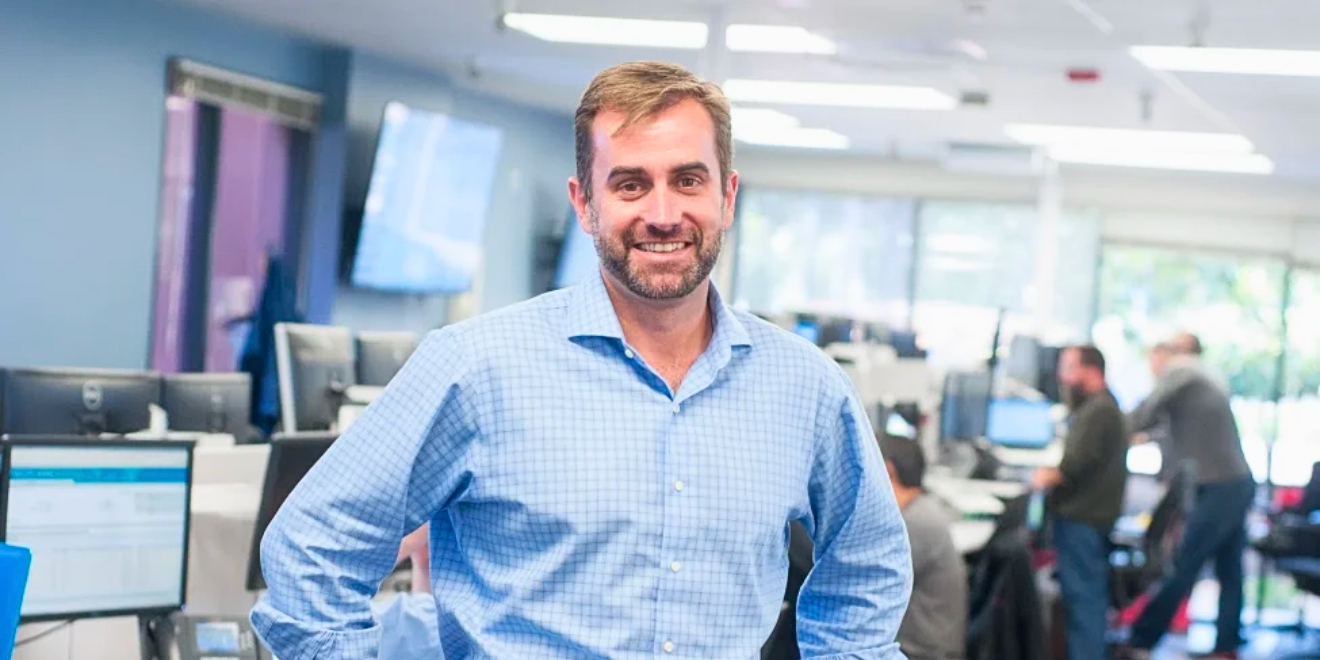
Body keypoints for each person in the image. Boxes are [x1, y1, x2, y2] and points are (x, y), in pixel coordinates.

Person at [250, 61, 913, 660]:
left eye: (688, 180)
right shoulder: (474, 368)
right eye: (630, 184)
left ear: (727, 195)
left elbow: (866, 573)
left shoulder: (805, 387)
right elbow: (312, 553)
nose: (663, 213)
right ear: (584, 203)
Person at [1118, 333, 1255, 660]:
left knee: (1183, 564)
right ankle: (1226, 646)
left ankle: (1141, 640)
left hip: (1220, 487)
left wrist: (1109, 430)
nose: (1151, 368)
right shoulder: (1203, 379)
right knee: (1229, 570)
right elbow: (1168, 431)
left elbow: (1144, 414)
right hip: (1234, 483)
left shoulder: (1181, 370)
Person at [1031, 345, 1128, 660]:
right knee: (1086, 601)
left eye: (1069, 368)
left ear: (1091, 370)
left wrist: (1041, 477)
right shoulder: (1103, 406)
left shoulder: (1098, 410)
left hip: (1082, 518)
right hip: (1091, 516)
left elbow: (1072, 466)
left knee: (1084, 603)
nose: (1062, 377)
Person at [881, 435, 967, 660]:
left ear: (887, 472)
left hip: (920, 653)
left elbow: (866, 584)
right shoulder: (921, 509)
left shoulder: (914, 524)